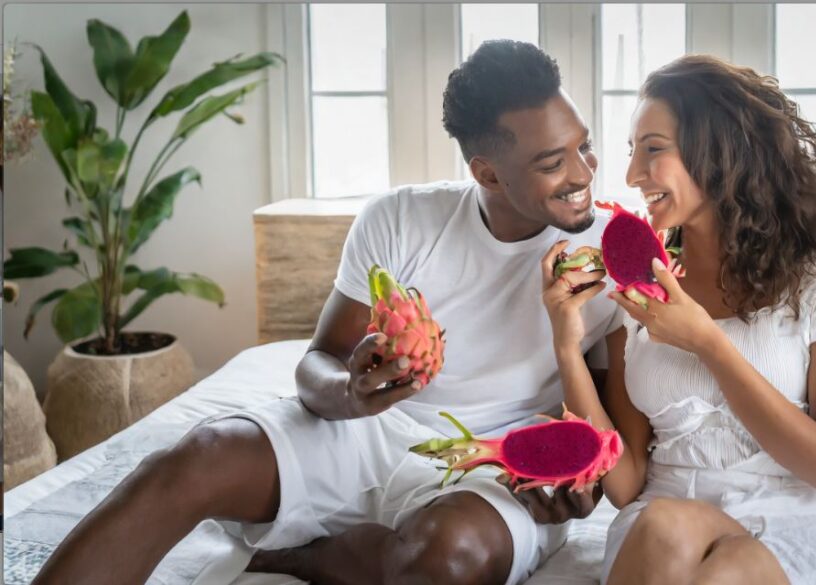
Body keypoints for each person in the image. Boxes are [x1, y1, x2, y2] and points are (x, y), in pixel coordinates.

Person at [33, 40, 620, 585]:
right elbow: (318, 364)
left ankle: (298, 553)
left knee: (447, 558)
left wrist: (581, 479)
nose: (584, 173)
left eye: (584, 145)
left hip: (494, 468)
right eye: (553, 162)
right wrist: (350, 394)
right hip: (364, 433)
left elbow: (605, 425)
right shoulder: (399, 219)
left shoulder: (612, 254)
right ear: (487, 172)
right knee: (195, 457)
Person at [541, 54, 816, 585]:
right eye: (633, 152)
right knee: (663, 526)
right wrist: (567, 347)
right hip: (660, 527)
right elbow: (626, 483)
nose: (634, 175)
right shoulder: (634, 294)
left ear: (721, 153)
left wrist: (708, 342)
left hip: (797, 526)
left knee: (728, 570)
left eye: (654, 150)